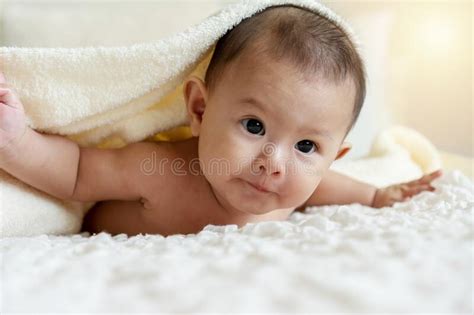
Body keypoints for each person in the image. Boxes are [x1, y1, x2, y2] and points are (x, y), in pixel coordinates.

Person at [0, 5, 442, 236]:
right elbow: (76, 173)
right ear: (199, 110)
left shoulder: (294, 188)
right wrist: (16, 139)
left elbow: (328, 186)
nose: (273, 162)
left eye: (307, 147)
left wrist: (378, 196)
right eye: (254, 126)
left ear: (332, 158)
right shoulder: (160, 171)